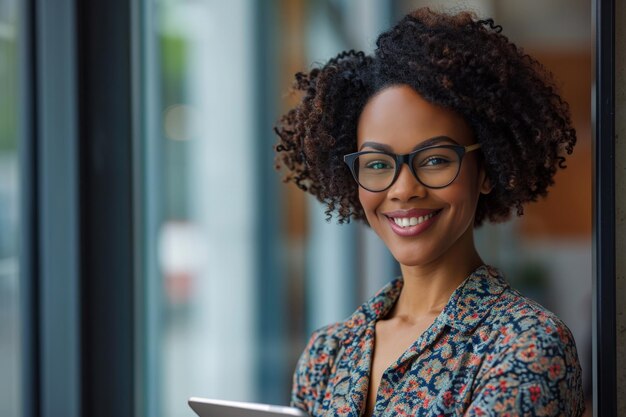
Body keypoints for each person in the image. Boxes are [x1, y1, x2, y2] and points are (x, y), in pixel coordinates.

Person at [274, 7, 584, 417]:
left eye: (435, 160)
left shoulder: (526, 345)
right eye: (378, 165)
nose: (403, 190)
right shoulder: (325, 354)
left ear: (486, 170)